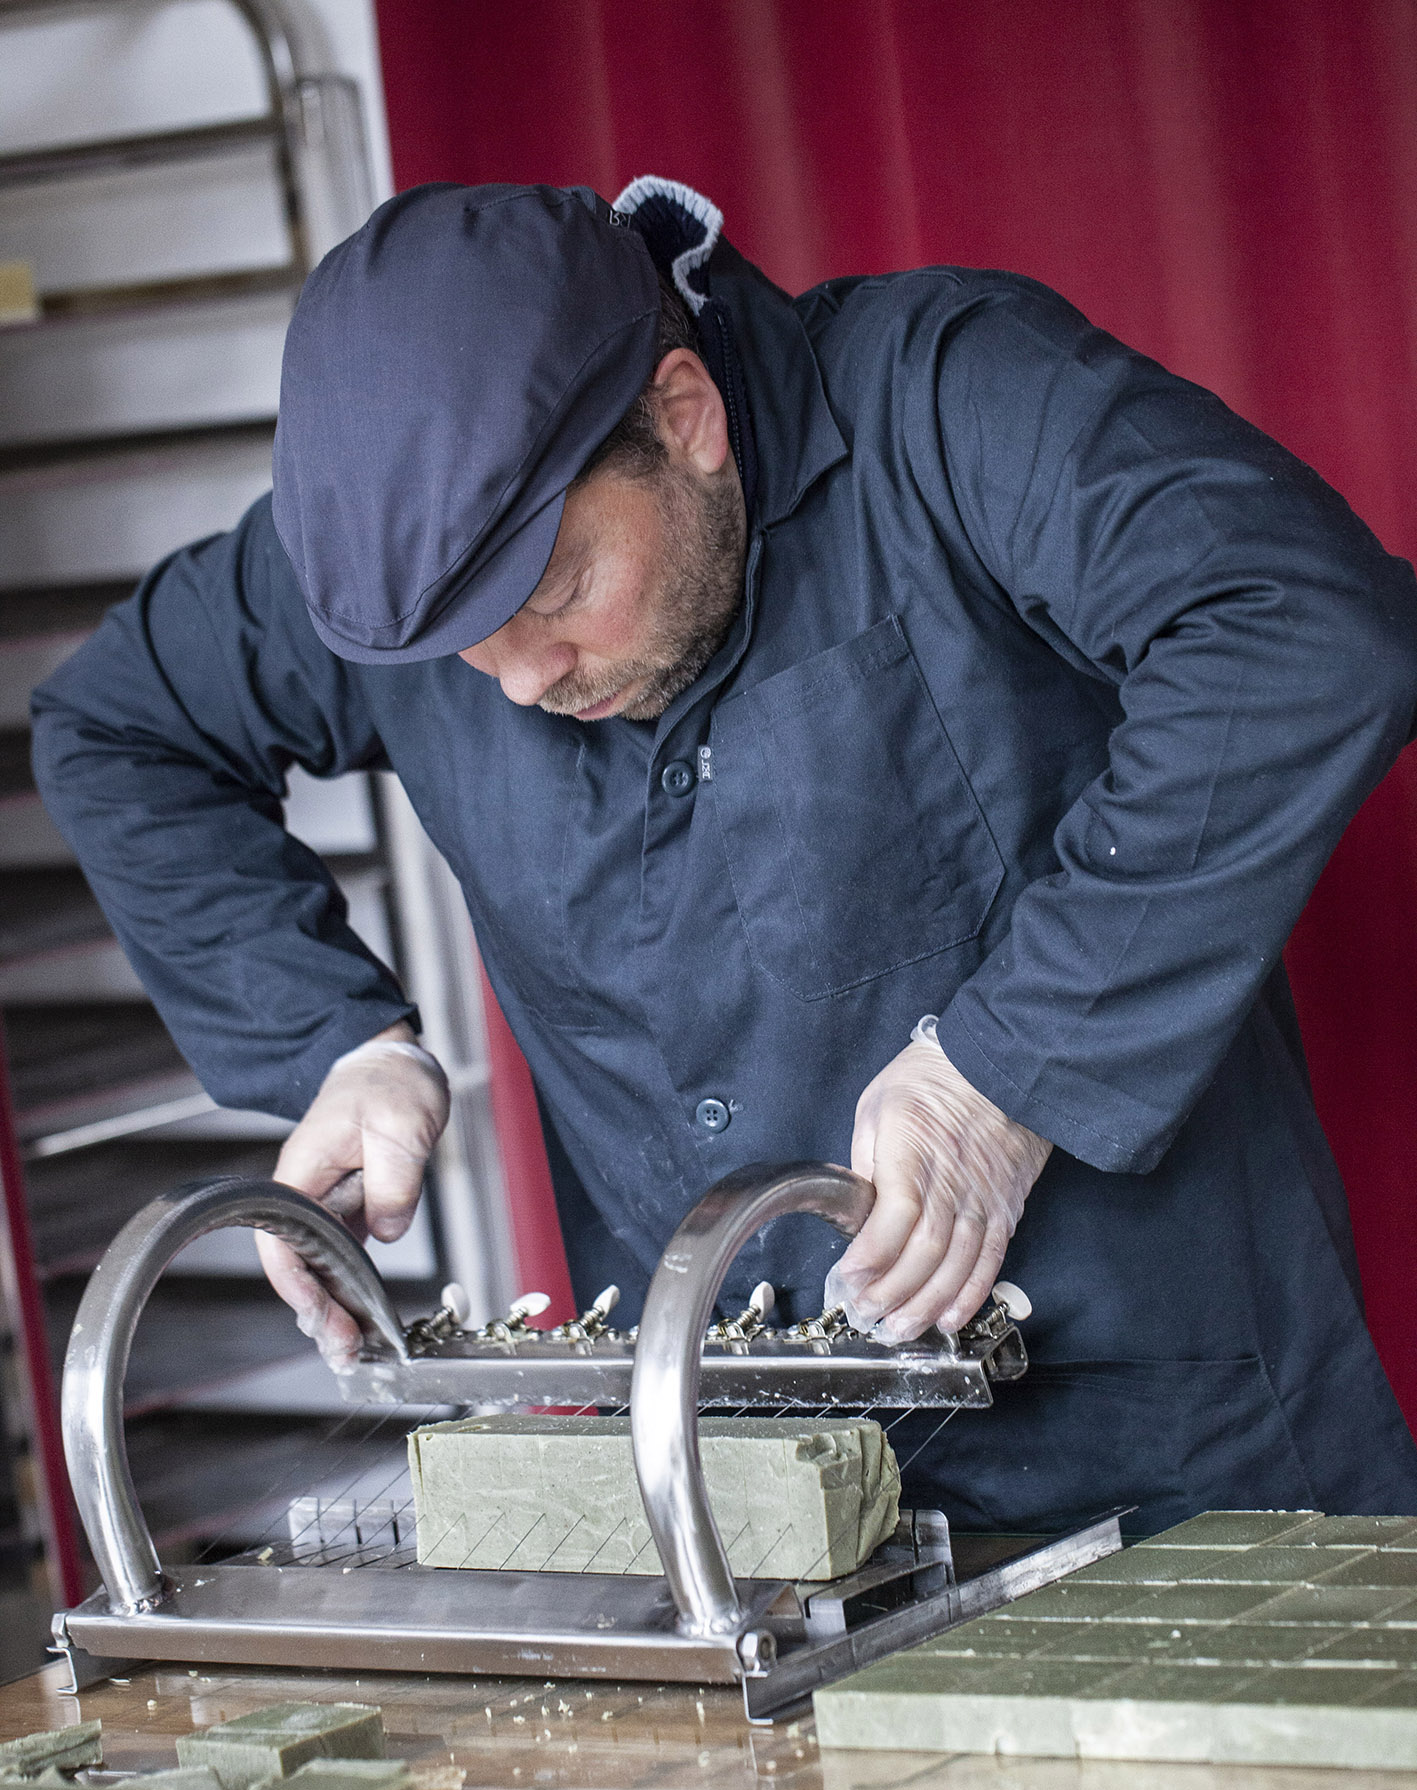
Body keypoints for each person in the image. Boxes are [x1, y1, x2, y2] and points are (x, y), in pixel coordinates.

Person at [32, 178, 1417, 1535]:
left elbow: (1299, 620)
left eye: (557, 593)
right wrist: (337, 1041)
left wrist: (1007, 1071)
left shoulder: (942, 396)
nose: (517, 682)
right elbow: (119, 728)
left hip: (1162, 1455)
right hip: (728, 1504)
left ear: (684, 418)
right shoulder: (422, 578)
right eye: (465, 650)